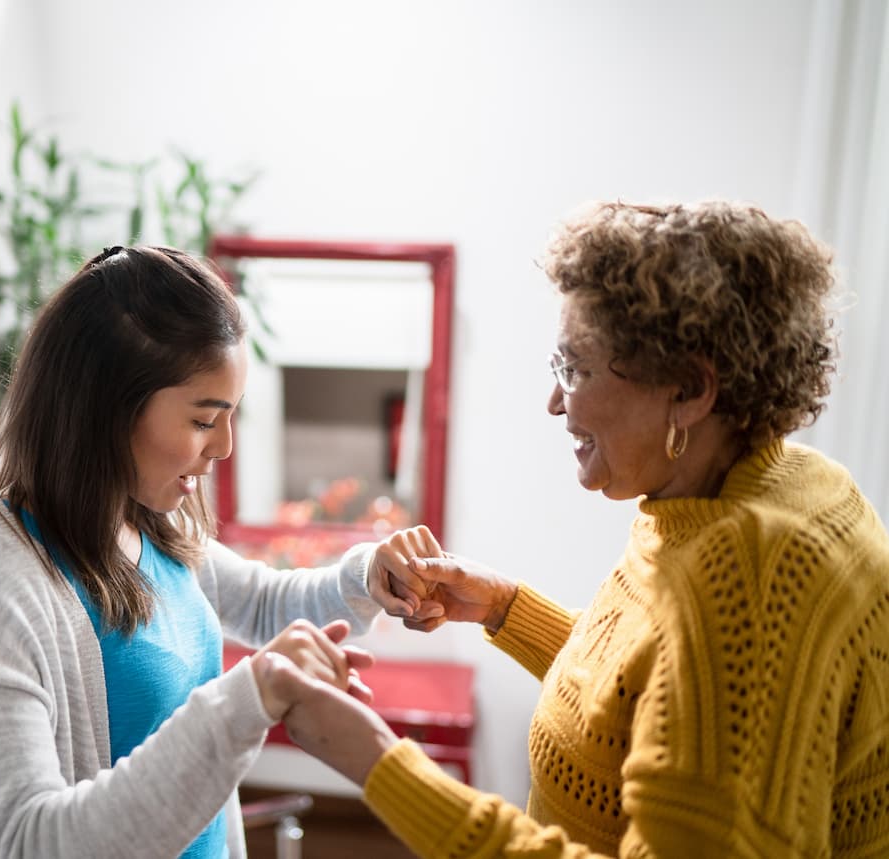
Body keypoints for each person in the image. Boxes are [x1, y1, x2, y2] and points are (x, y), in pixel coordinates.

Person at [261, 201, 889, 857]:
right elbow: (667, 695)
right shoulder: (786, 484)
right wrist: (508, 609)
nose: (556, 401)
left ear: (690, 389)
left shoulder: (752, 567)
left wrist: (382, 765)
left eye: (576, 369)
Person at [0, 245, 435, 859]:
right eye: (201, 420)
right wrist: (248, 699)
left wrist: (370, 576)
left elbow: (268, 603)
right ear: (104, 409)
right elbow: (29, 843)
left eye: (230, 416)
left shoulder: (149, 527)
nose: (224, 447)